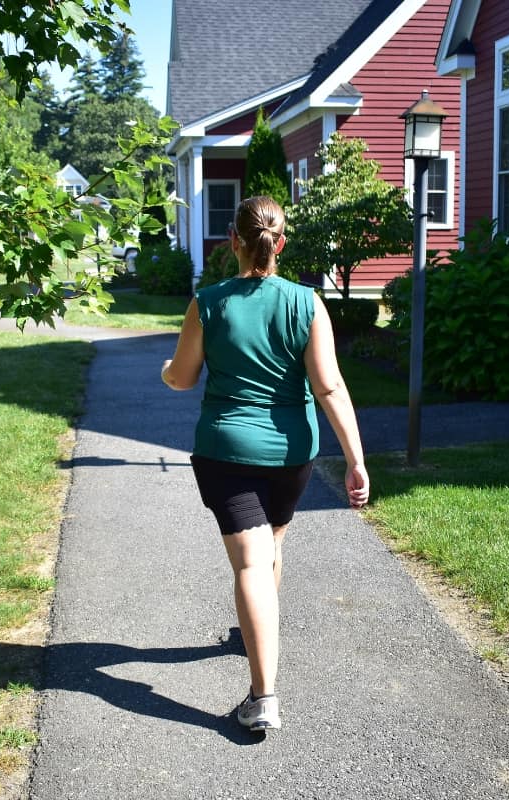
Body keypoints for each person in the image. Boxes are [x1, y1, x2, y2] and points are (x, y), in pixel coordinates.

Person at [161, 195, 370, 732]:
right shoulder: (306, 302)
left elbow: (182, 379)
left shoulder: (208, 303)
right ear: (281, 243)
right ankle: (255, 636)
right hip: (291, 453)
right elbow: (328, 385)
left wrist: (167, 370)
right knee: (270, 545)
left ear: (233, 241)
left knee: (251, 562)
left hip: (227, 450)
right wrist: (356, 459)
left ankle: (264, 697)